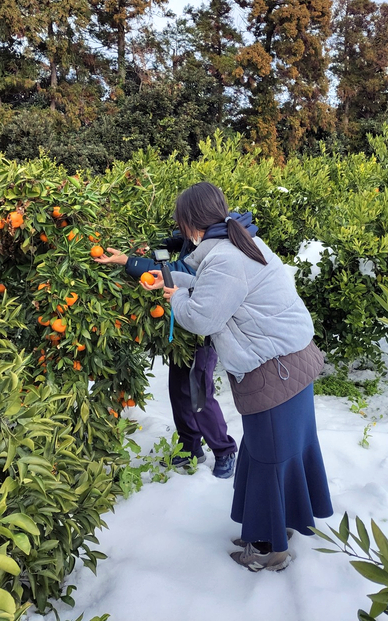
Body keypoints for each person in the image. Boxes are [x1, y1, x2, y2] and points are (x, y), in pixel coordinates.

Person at [142, 181, 333, 572]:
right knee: (277, 454)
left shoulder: (226, 259)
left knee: (268, 457)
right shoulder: (242, 242)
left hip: (272, 374)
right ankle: (277, 527)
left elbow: (202, 316)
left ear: (192, 224)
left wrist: (175, 298)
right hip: (291, 363)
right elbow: (222, 291)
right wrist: (175, 282)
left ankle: (269, 550)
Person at [93, 233, 238, 479]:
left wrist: (128, 260)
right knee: (179, 391)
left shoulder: (215, 247)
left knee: (199, 395)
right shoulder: (195, 234)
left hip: (202, 331)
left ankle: (224, 450)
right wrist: (153, 242)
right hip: (182, 330)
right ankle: (190, 448)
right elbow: (174, 242)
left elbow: (175, 271)